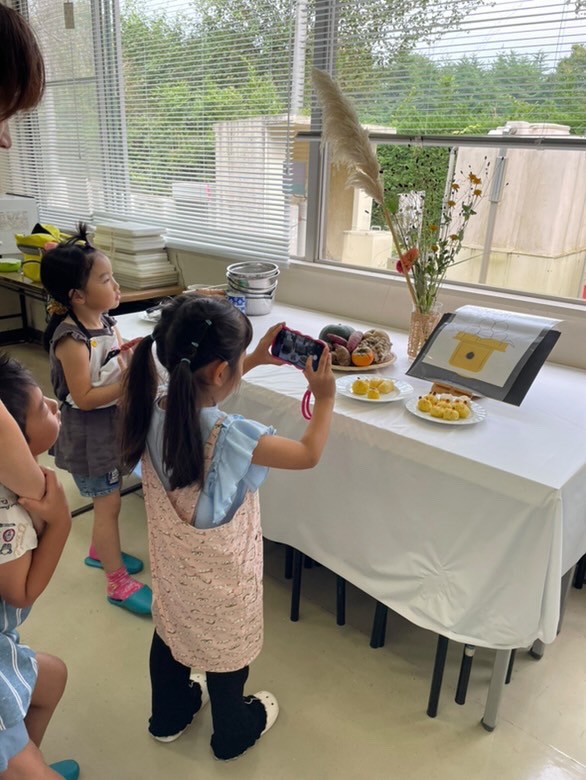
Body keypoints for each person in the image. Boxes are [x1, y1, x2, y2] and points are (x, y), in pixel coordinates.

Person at [119, 294, 335, 760]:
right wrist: (325, 399)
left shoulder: (153, 403)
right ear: (221, 373)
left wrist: (253, 359)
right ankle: (232, 731)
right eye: (237, 365)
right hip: (223, 578)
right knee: (226, 647)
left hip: (173, 568)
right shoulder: (233, 436)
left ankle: (168, 719)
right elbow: (309, 454)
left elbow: (201, 394)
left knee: (171, 631)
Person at [40, 224, 152, 616]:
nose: (116, 285)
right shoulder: (71, 339)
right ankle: (116, 582)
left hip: (109, 430)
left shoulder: (103, 322)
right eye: (106, 279)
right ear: (77, 295)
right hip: (91, 436)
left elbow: (110, 364)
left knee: (110, 503)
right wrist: (130, 384)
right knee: (109, 508)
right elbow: (84, 398)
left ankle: (97, 550)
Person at [0, 354, 80, 780]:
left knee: (51, 680)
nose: (53, 405)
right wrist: (61, 523)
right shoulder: (8, 510)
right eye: (41, 408)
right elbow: (20, 591)